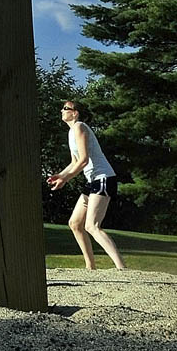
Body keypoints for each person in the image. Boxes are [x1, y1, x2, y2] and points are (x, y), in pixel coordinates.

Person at [47, 99, 126, 270]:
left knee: (92, 225)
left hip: (103, 178)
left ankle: (122, 269)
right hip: (93, 181)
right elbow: (74, 161)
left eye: (66, 108)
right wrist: (60, 175)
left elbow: (83, 160)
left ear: (75, 113)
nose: (62, 110)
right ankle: (90, 267)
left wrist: (65, 179)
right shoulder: (71, 132)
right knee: (75, 223)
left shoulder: (80, 127)